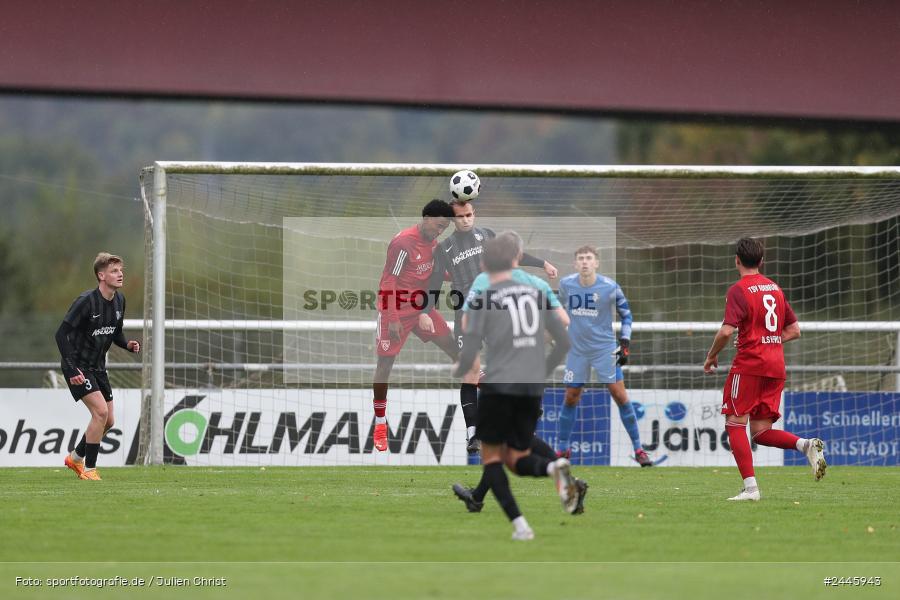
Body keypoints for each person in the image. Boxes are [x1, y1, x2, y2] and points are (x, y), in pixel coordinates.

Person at [452, 232, 583, 541]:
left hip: (499, 380)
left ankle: (521, 526)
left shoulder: (486, 287)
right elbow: (564, 327)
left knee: (494, 457)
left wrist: (463, 363)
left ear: (487, 261)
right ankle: (555, 469)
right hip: (530, 383)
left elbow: (468, 329)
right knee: (518, 455)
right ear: (518, 258)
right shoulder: (535, 288)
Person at [425, 197, 557, 454]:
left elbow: (513, 257)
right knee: (470, 372)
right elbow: (434, 283)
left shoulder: (487, 236)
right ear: (453, 219)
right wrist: (424, 309)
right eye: (460, 217)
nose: (466, 220)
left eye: (469, 215)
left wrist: (543, 264)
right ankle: (472, 435)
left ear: (475, 214)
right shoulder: (445, 248)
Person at [704, 238, 826, 501]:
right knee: (760, 431)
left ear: (736, 260)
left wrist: (711, 356)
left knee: (735, 423)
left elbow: (726, 331)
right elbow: (794, 331)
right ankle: (805, 446)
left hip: (749, 365)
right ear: (761, 261)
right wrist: (769, 339)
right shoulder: (775, 289)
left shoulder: (739, 290)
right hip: (775, 366)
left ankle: (751, 490)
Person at [373, 199, 459, 452]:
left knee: (455, 350)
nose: (440, 231)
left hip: (422, 309)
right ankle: (380, 423)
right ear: (427, 217)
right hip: (396, 310)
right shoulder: (403, 243)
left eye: (444, 228)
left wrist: (461, 273)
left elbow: (432, 272)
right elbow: (388, 280)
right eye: (439, 225)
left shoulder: (433, 243)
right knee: (385, 365)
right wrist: (392, 318)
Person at [556, 246, 652, 466]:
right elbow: (556, 311)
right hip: (577, 350)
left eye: (589, 258)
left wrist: (625, 342)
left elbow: (627, 316)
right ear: (575, 264)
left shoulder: (610, 287)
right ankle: (562, 450)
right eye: (580, 258)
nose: (585, 262)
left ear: (596, 263)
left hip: (604, 349)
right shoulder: (566, 285)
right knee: (571, 396)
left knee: (619, 395)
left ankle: (639, 450)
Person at [56, 253, 140, 480]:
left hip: (98, 368)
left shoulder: (120, 301)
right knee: (100, 412)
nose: (120, 274)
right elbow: (61, 334)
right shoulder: (86, 301)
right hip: (78, 366)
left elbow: (116, 331)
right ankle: (89, 470)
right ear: (101, 276)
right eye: (114, 271)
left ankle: (75, 457)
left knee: (108, 421)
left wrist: (127, 345)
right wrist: (72, 369)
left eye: (121, 270)